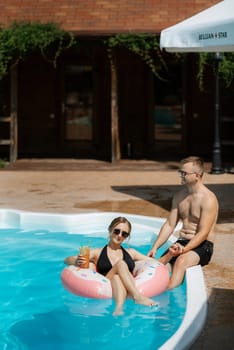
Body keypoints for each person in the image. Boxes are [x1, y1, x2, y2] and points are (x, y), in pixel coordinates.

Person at [147, 156, 219, 290]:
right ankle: (157, 291)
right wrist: (155, 247)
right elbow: (170, 224)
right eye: (180, 172)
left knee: (180, 262)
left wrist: (184, 251)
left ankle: (166, 297)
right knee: (159, 267)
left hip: (202, 246)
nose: (181, 175)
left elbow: (203, 233)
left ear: (197, 175)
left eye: (184, 173)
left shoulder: (208, 199)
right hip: (182, 242)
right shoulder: (179, 196)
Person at [64, 216, 157, 316]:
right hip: (107, 281)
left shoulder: (131, 253)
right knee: (121, 264)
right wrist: (76, 261)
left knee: (117, 277)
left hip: (121, 282)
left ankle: (119, 309)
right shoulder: (98, 253)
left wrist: (170, 255)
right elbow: (67, 259)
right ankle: (137, 296)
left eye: (124, 234)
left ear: (127, 237)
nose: (120, 235)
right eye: (117, 231)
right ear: (110, 230)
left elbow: (153, 262)